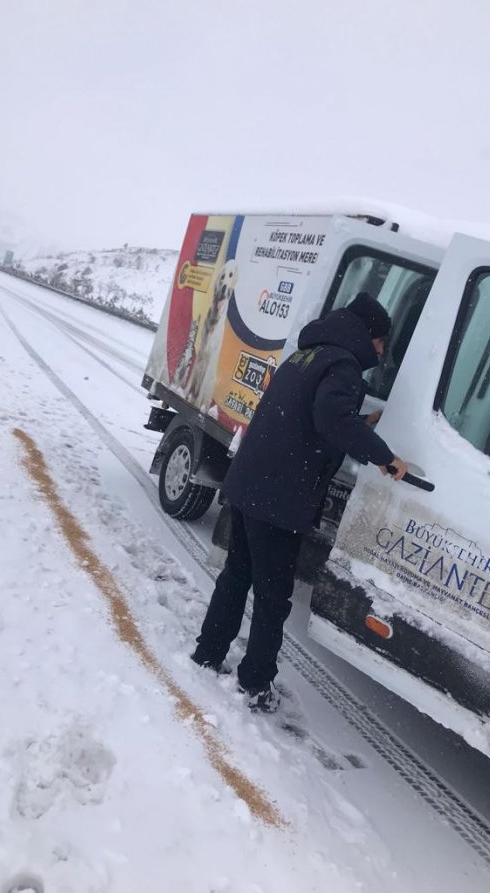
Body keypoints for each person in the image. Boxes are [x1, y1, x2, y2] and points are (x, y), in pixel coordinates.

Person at [191, 292, 407, 712]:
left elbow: (313, 418)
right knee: (273, 598)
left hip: (252, 484)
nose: (380, 353)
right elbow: (329, 418)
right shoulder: (343, 365)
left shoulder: (306, 356)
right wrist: (384, 456)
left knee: (237, 575)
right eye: (381, 343)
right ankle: (253, 684)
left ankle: (207, 653)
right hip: (278, 498)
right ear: (368, 335)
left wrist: (360, 424)